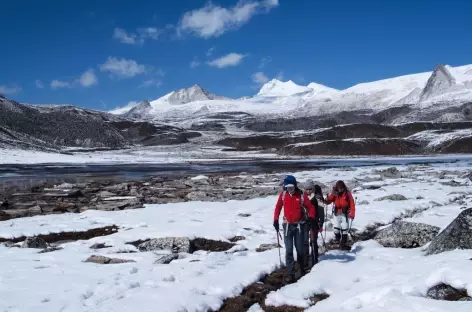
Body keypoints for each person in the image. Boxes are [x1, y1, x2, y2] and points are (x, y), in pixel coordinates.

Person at [273, 175, 316, 282]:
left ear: (295, 186)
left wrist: (311, 217)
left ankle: (302, 269)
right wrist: (275, 220)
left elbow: (310, 207)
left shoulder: (301, 195)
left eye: (291, 187)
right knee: (289, 250)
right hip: (287, 226)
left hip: (299, 226)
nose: (289, 189)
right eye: (287, 187)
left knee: (300, 250)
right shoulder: (283, 195)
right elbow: (278, 207)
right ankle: (290, 273)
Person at [325, 180, 355, 249]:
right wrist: (326, 199)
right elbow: (329, 200)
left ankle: (343, 243)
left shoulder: (347, 194)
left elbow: (352, 204)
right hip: (337, 213)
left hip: (345, 213)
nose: (340, 190)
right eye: (339, 188)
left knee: (345, 228)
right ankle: (338, 240)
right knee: (336, 229)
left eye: (342, 188)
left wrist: (352, 214)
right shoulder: (334, 193)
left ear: (344, 187)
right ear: (337, 188)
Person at [303, 180, 325, 265]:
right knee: (305, 241)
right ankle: (305, 261)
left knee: (313, 241)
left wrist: (321, 222)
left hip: (314, 221)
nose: (308, 191)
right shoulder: (303, 196)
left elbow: (321, 210)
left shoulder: (318, 197)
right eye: (306, 189)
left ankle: (314, 260)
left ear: (313, 189)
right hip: (304, 221)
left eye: (310, 189)